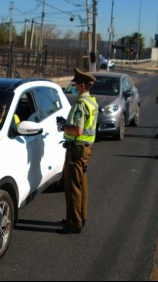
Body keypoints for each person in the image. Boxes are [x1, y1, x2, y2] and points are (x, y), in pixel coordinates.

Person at [57, 67, 99, 234]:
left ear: (82, 85)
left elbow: (78, 130)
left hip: (77, 149)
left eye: (75, 83)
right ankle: (79, 217)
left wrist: (63, 127)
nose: (73, 85)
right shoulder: (92, 102)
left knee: (73, 186)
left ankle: (74, 223)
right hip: (86, 149)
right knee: (82, 185)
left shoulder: (81, 104)